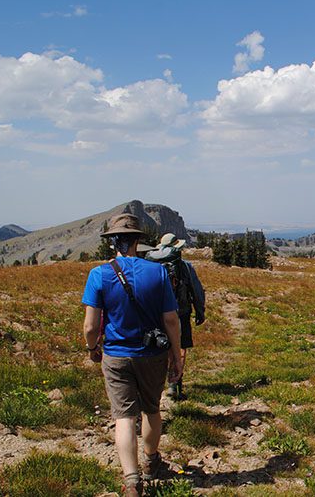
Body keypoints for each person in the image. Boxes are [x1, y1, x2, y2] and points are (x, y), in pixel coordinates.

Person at [81, 213, 183, 497]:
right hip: (153, 354)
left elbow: (91, 326)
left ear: (112, 242)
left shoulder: (98, 275)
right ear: (138, 241)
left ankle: (132, 481)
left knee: (124, 417)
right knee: (151, 408)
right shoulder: (158, 272)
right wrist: (176, 356)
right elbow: (171, 320)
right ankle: (151, 462)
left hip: (116, 354)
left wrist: (92, 348)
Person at [147, 232, 205, 400]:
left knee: (161, 347)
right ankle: (174, 383)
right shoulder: (185, 266)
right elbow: (197, 290)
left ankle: (156, 385)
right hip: (182, 311)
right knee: (180, 346)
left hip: (158, 313)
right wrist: (200, 311)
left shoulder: (152, 265)